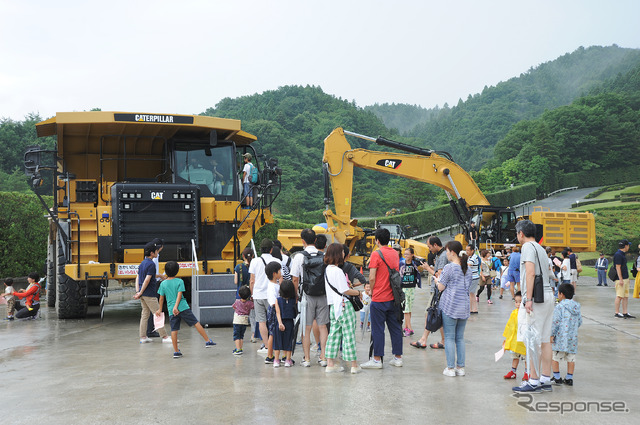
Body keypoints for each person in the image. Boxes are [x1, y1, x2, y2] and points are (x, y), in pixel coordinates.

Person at [512, 220, 554, 393]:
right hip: (548, 295)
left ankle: (533, 379)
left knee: (531, 339)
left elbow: (530, 272)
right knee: (545, 340)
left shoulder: (527, 248)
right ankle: (545, 378)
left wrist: (528, 298)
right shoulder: (541, 248)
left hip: (536, 298)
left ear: (521, 233)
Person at [361, 228, 403, 369]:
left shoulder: (376, 254)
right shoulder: (394, 253)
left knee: (378, 329)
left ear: (377, 240)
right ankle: (398, 358)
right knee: (395, 328)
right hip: (394, 297)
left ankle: (377, 359)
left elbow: (372, 277)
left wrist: (372, 292)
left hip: (379, 298)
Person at [156, 261, 216, 358]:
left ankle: (176, 351)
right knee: (195, 323)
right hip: (183, 307)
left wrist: (160, 309)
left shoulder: (163, 284)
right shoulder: (180, 281)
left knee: (174, 330)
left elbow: (161, 298)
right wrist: (177, 306)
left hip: (172, 310)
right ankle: (207, 341)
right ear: (177, 271)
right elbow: (179, 295)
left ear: (165, 272)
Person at [290, 228, 329, 368]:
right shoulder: (323, 255)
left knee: (305, 328)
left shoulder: (299, 257)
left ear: (303, 241)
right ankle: (323, 357)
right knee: (323, 326)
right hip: (323, 294)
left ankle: (306, 359)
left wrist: (296, 296)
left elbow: (295, 279)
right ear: (315, 240)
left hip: (306, 296)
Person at [324, 243, 362, 373]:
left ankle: (330, 363)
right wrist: (358, 293)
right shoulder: (338, 271)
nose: (343, 254)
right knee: (349, 335)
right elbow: (345, 290)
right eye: (341, 252)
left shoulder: (327, 269)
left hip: (334, 307)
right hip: (344, 305)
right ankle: (354, 365)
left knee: (333, 335)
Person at [435, 241, 471, 377]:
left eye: (447, 251)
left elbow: (441, 287)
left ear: (453, 252)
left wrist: (437, 281)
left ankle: (450, 368)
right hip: (464, 306)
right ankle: (460, 368)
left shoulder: (449, 268)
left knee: (449, 337)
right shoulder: (467, 268)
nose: (447, 254)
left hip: (450, 306)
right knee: (460, 338)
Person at [411, 236, 446, 349]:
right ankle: (441, 340)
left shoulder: (443, 256)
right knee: (438, 315)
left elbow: (439, 275)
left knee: (430, 313)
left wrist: (427, 268)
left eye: (429, 246)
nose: (429, 248)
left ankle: (423, 340)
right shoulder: (441, 255)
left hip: (438, 290)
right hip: (439, 290)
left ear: (435, 245)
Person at [134, 243, 171, 344]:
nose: (157, 253)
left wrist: (138, 292)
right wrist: (140, 292)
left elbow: (137, 278)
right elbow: (147, 280)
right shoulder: (151, 264)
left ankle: (143, 337)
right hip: (149, 294)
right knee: (158, 314)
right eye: (156, 251)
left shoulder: (142, 263)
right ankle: (164, 336)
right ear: (152, 253)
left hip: (142, 294)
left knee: (145, 314)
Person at [550, 283, 582, 386]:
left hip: (560, 338)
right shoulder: (576, 307)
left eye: (558, 293)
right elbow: (580, 321)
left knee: (555, 357)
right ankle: (569, 378)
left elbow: (555, 322)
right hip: (572, 338)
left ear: (562, 294)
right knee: (571, 358)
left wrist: (552, 334)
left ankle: (557, 377)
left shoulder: (560, 307)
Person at [249, 238, 276, 356]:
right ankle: (275, 345)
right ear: (271, 249)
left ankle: (266, 346)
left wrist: (252, 294)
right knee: (274, 321)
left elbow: (252, 281)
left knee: (261, 321)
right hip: (272, 295)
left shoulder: (254, 261)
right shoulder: (276, 261)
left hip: (258, 294)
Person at [502, 291, 528, 381]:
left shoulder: (526, 313)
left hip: (523, 340)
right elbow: (509, 326)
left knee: (526, 357)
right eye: (516, 302)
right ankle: (513, 372)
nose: (518, 304)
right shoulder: (513, 313)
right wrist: (507, 339)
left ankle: (527, 373)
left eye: (520, 302)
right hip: (515, 340)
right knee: (515, 357)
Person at [400, 247, 423, 336]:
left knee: (409, 308)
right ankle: (409, 328)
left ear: (412, 255)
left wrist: (414, 257)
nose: (406, 256)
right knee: (405, 309)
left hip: (412, 288)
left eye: (408, 254)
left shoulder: (414, 263)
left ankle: (406, 327)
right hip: (404, 288)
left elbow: (423, 260)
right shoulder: (402, 263)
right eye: (404, 254)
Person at [273, 279, 296, 368]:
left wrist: (280, 323)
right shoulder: (294, 300)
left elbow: (278, 313)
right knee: (289, 341)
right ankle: (288, 360)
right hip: (289, 322)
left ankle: (276, 360)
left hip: (279, 323)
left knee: (277, 342)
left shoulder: (278, 300)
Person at [264, 261, 282, 364]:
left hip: (275, 310)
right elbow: (274, 302)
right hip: (274, 310)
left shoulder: (275, 284)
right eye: (279, 270)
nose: (281, 272)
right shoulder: (272, 286)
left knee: (273, 333)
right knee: (272, 333)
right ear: (274, 273)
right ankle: (269, 355)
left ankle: (271, 355)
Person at [613, 239, 635, 319]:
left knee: (625, 296)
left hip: (625, 278)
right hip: (620, 279)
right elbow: (618, 267)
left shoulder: (622, 254)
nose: (628, 247)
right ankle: (617, 312)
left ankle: (625, 312)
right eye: (628, 245)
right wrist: (621, 279)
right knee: (619, 296)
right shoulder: (618, 254)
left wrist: (627, 278)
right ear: (625, 246)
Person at [232, 285, 254, 355]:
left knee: (236, 335)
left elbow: (233, 307)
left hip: (237, 320)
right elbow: (253, 306)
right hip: (245, 320)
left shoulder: (237, 301)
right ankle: (240, 348)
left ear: (239, 294)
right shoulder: (249, 303)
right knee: (241, 335)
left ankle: (238, 349)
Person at [465, 245, 480, 314]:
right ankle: (474, 309)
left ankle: (471, 309)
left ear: (472, 250)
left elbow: (469, 264)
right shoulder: (470, 257)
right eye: (466, 250)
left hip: (474, 278)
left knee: (470, 293)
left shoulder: (474, 257)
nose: (466, 251)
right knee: (472, 294)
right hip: (472, 277)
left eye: (468, 250)